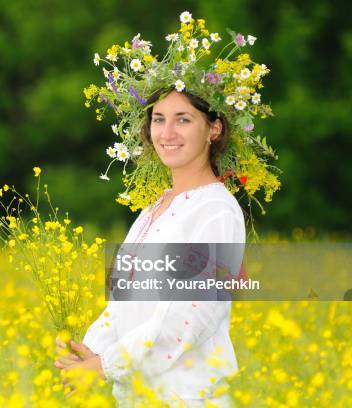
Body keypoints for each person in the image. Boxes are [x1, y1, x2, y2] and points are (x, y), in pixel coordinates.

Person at [55, 88, 246, 407]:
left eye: (183, 120)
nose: (167, 133)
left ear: (214, 128)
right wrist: (95, 349)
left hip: (185, 396)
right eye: (159, 120)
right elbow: (124, 298)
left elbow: (188, 317)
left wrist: (103, 366)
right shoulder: (154, 208)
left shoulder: (216, 212)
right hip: (138, 394)